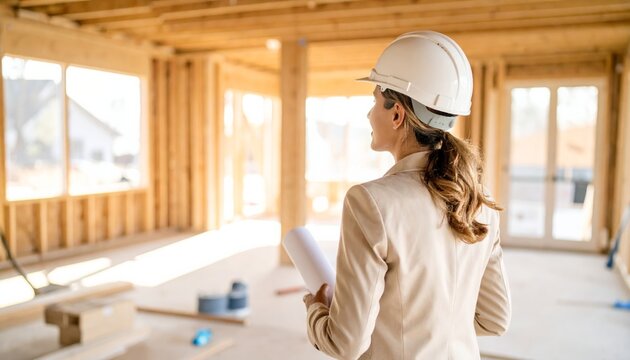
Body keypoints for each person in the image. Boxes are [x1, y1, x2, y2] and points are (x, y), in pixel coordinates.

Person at [302, 31, 511, 359]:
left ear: (397, 114)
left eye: (373, 101)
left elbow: (346, 343)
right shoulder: (479, 200)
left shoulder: (369, 203)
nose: (368, 114)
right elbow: (494, 319)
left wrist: (317, 311)